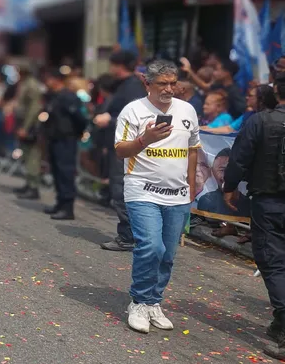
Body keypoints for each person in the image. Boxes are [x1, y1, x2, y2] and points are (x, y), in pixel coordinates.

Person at [113, 59, 200, 334]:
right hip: (142, 190)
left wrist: (192, 181)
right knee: (151, 247)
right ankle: (138, 301)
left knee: (168, 255)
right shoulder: (133, 111)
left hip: (177, 194)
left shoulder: (187, 110)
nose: (169, 89)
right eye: (162, 83)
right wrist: (145, 139)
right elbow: (120, 151)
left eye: (173, 83)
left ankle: (153, 301)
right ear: (146, 83)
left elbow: (193, 148)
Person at [223, 71, 285, 359]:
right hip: (268, 199)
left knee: (271, 260)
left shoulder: (261, 120)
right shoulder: (260, 120)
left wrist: (230, 186)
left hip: (269, 202)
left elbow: (239, 157)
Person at [92, 51, 147, 251]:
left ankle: (127, 236)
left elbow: (136, 118)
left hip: (126, 147)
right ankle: (131, 235)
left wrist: (110, 119)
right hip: (119, 145)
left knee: (121, 190)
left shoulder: (131, 86)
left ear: (119, 65)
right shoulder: (126, 85)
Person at [41, 67, 87, 220]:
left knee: (65, 172)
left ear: (56, 80)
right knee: (56, 171)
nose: (47, 83)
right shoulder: (55, 96)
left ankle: (67, 207)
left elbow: (79, 117)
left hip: (66, 138)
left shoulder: (68, 97)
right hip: (55, 137)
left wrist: (78, 133)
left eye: (48, 79)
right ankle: (60, 203)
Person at [14, 61, 45, 199]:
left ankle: (33, 186)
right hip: (25, 123)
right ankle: (28, 182)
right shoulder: (26, 83)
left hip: (31, 125)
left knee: (33, 156)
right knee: (26, 154)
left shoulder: (31, 85)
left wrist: (26, 127)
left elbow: (34, 109)